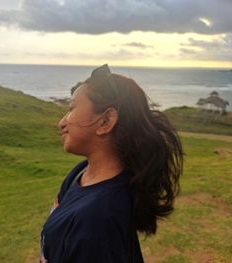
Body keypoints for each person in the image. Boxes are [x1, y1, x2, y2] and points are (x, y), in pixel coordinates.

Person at [40, 64, 184, 262]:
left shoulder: (98, 220)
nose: (62, 122)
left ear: (106, 121)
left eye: (72, 108)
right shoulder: (80, 174)